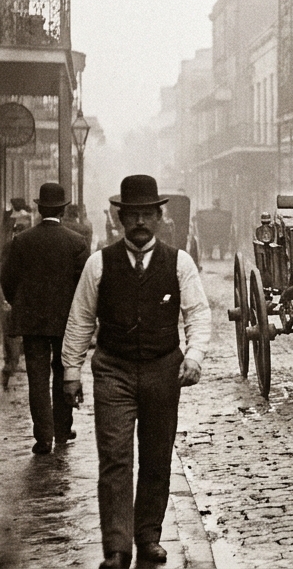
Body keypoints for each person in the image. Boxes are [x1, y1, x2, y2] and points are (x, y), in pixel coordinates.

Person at [62, 174, 212, 569]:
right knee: (114, 458)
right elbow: (79, 320)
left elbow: (197, 314)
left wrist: (193, 356)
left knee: (157, 455)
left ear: (160, 218)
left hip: (164, 370)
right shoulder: (99, 264)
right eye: (133, 215)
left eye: (148, 214)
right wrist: (70, 372)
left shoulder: (179, 263)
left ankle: (148, 536)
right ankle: (116, 547)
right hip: (113, 371)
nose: (140, 222)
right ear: (119, 219)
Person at [0, 183, 89, 454]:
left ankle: (43, 438)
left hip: (33, 321)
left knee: (37, 378)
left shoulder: (22, 240)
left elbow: (7, 278)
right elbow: (82, 286)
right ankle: (62, 430)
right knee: (64, 373)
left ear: (39, 209)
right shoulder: (76, 242)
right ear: (62, 209)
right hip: (65, 321)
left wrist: (21, 304)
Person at [1, 206, 33, 389]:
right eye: (19, 228)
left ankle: (11, 364)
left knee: (14, 333)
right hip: (14, 296)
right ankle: (10, 365)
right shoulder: (12, 246)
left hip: (17, 296)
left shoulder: (18, 245)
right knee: (12, 333)